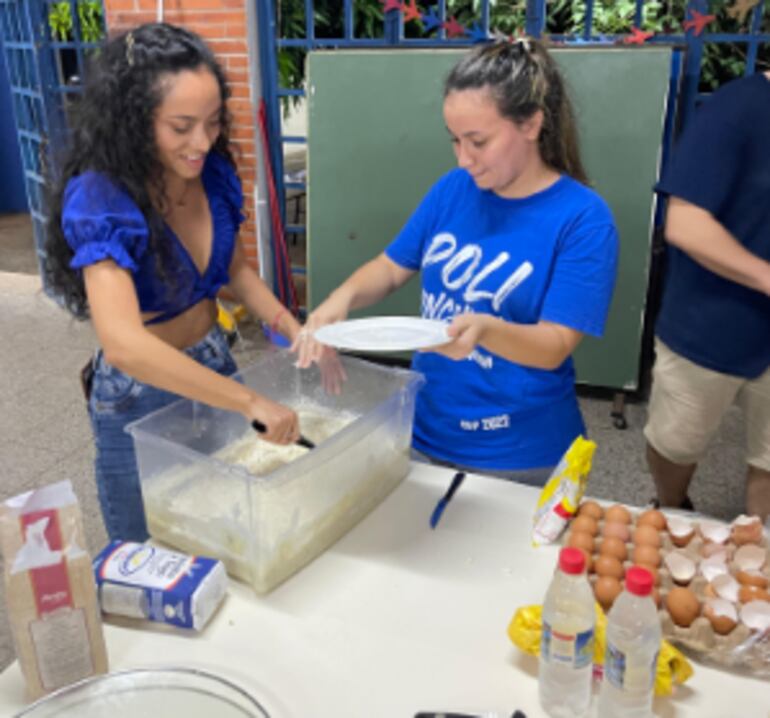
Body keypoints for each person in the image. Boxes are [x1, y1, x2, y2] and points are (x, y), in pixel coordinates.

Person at [296, 39, 618, 484]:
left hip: (520, 450)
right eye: (455, 140)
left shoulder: (582, 218)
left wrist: (486, 330)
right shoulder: (453, 189)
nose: (464, 158)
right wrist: (342, 297)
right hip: (426, 428)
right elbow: (392, 267)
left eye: (478, 141)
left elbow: (555, 344)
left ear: (531, 124)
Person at [45, 23, 306, 542]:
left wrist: (291, 327)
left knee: (225, 529)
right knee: (149, 548)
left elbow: (235, 271)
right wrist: (249, 401)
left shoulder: (211, 174)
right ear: (136, 122)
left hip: (212, 360)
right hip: (138, 392)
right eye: (181, 126)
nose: (202, 142)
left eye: (212, 123)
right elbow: (123, 344)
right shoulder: (102, 198)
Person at [644, 71, 770, 521]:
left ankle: (756, 548)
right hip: (709, 323)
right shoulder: (737, 108)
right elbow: (685, 224)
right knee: (675, 443)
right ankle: (673, 505)